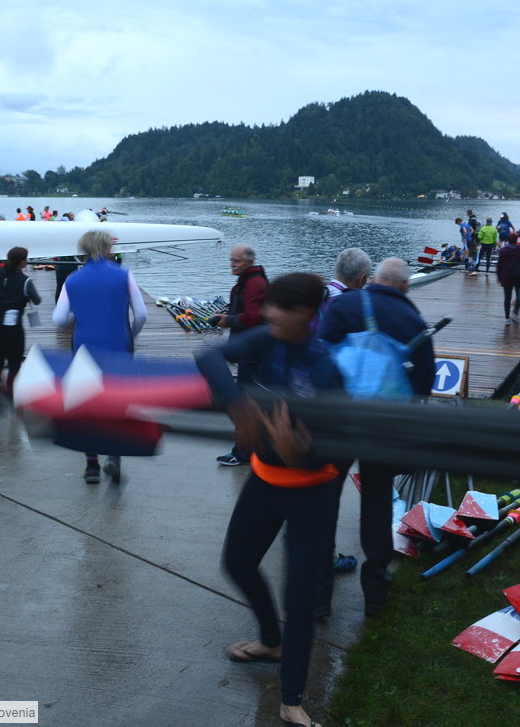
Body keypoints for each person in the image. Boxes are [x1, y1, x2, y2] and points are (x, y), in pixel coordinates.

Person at [195, 273, 343, 727]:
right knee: (237, 563)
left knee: (298, 597)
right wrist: (238, 403)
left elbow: (339, 444)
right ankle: (270, 640)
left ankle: (292, 698)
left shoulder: (325, 366)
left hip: (311, 492)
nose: (266, 313)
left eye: (278, 307)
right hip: (264, 479)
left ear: (304, 314)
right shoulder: (269, 338)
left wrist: (304, 452)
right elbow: (210, 355)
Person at [319, 257, 435, 618]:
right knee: (377, 504)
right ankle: (375, 592)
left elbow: (317, 355)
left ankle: (318, 595)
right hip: (382, 428)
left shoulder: (343, 304)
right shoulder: (413, 321)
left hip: (335, 421)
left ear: (373, 280)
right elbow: (422, 386)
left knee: (323, 503)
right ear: (404, 286)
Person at [53, 230, 147, 483]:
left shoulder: (72, 279)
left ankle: (91, 466)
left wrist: (79, 316)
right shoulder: (124, 275)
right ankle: (114, 456)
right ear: (108, 249)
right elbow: (141, 314)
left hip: (85, 349)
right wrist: (130, 334)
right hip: (119, 347)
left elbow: (59, 320)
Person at [212, 245, 268, 466]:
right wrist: (227, 316)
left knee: (245, 401)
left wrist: (229, 320)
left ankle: (243, 453)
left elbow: (254, 317)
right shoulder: (248, 281)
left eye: (236, 261)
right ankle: (251, 449)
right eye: (231, 260)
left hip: (252, 353)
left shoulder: (254, 283)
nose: (232, 264)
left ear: (249, 261)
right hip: (249, 350)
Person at [0, 247, 41, 398]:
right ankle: (11, 393)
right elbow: (37, 300)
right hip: (12, 327)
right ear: (22, 262)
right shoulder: (25, 281)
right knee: (14, 362)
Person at [496, 233, 520, 325]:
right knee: (519, 295)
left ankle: (507, 318)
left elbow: (500, 264)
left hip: (506, 276)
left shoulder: (503, 250)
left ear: (508, 240)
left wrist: (499, 276)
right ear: (516, 241)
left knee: (507, 298)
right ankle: (515, 312)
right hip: (518, 276)